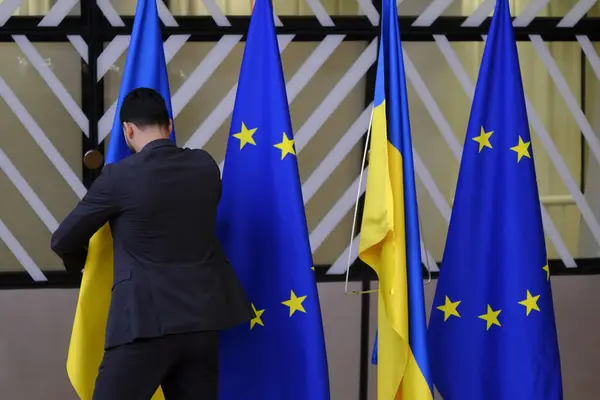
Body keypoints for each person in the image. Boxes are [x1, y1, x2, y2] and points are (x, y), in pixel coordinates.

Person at [51, 87, 253, 400]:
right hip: (203, 321)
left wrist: (86, 265)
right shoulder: (205, 167)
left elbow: (63, 238)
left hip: (144, 324)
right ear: (169, 125)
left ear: (127, 130)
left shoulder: (119, 177)